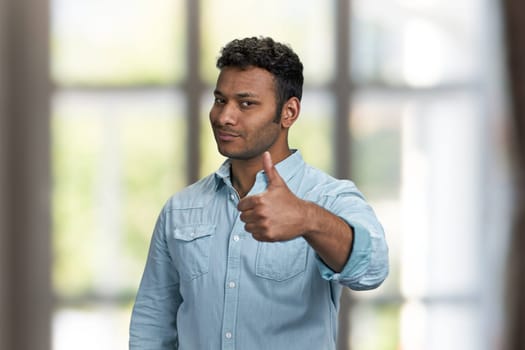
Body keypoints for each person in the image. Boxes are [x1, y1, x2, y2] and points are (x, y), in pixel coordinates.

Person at [129, 36, 389, 350]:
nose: (224, 116)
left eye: (246, 103)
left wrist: (307, 218)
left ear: (289, 112)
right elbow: (153, 324)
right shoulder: (180, 208)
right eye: (220, 100)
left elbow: (372, 269)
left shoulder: (328, 198)